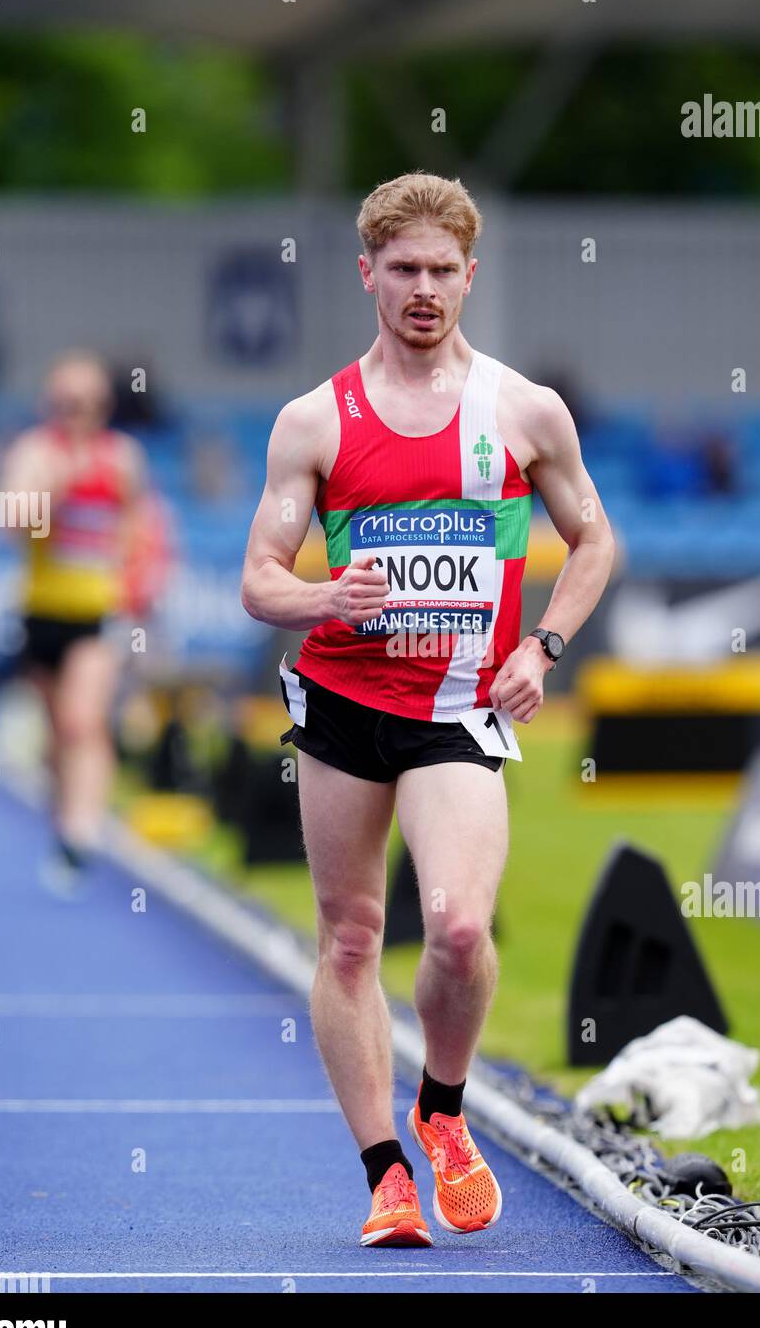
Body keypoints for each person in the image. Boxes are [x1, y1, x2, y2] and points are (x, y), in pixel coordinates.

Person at [241, 172, 617, 1246]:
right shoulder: (316, 420)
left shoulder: (524, 411)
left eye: (441, 270)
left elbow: (592, 538)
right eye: (401, 269)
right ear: (367, 275)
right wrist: (323, 592)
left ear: (469, 276)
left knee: (456, 925)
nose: (421, 288)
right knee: (351, 934)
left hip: (459, 708)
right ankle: (385, 1175)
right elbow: (260, 577)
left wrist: (544, 645)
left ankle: (443, 1109)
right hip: (346, 701)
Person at [1, 350, 146, 892]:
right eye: (65, 404)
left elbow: (136, 525)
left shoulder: (123, 457)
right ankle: (66, 818)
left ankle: (80, 836)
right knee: (55, 734)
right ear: (49, 405)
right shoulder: (34, 454)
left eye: (86, 404)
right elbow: (10, 524)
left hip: (97, 613)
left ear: (103, 407)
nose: (75, 414)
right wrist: (55, 488)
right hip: (41, 612)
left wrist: (132, 588)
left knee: (83, 721)